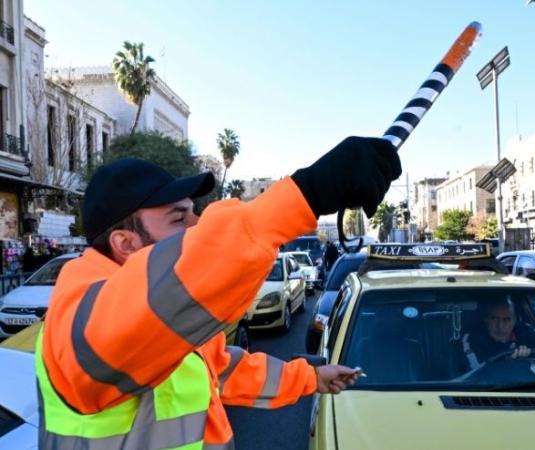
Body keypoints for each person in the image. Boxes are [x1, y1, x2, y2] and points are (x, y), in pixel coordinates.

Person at [38, 136, 401, 449]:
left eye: (193, 213)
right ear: (125, 243)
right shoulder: (79, 320)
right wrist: (306, 195)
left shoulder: (161, 323)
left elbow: (219, 369)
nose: (196, 224)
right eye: (179, 218)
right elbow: (187, 274)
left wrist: (310, 378)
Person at [463, 298, 535, 365]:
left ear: (515, 321)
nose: (500, 326)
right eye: (494, 318)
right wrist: (508, 363)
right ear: (486, 320)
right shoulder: (471, 340)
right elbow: (474, 372)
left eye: (506, 320)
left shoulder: (528, 334)